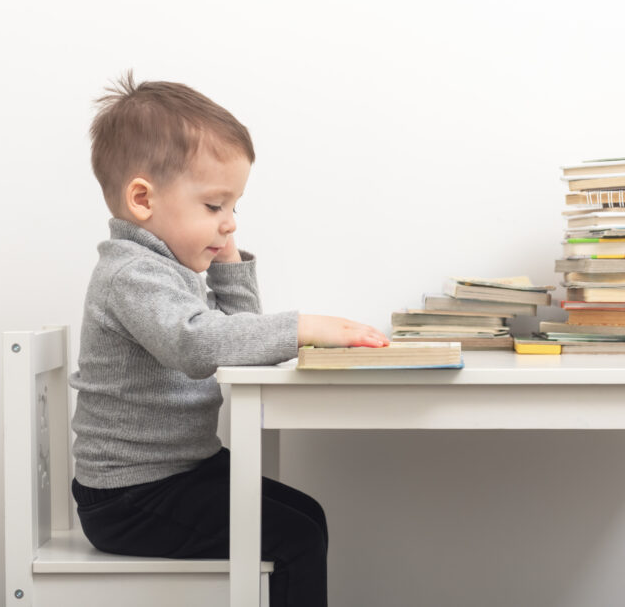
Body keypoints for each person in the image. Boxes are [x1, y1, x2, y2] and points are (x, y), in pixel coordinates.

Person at [70, 72, 389, 607]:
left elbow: (240, 341)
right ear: (144, 200)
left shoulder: (166, 269)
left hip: (179, 469)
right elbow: (200, 346)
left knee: (306, 515)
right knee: (296, 538)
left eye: (235, 208)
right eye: (215, 207)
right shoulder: (131, 275)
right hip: (129, 496)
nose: (229, 224)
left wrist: (229, 264)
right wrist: (303, 326)